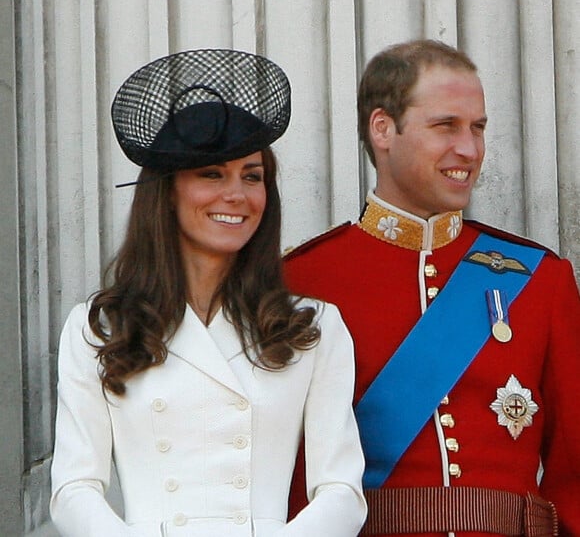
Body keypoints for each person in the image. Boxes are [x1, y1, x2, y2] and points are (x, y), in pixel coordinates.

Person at [50, 48, 366, 537]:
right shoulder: (99, 327)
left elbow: (342, 493)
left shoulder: (313, 326)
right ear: (166, 190)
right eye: (211, 174)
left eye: (252, 176)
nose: (236, 194)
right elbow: (73, 490)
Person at [284, 39, 580, 536]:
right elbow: (286, 479)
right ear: (383, 128)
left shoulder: (539, 280)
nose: (469, 148)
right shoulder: (302, 282)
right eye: (446, 125)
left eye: (478, 128)